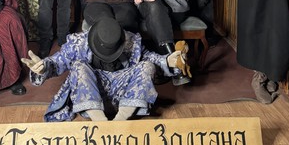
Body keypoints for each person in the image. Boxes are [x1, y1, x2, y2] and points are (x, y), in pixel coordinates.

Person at [21, 17, 186, 122]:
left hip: (124, 96)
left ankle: (120, 121)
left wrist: (168, 60)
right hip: (94, 94)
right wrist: (43, 67)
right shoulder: (78, 42)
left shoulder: (130, 40)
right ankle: (101, 123)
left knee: (147, 66)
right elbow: (58, 61)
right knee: (78, 66)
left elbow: (150, 57)